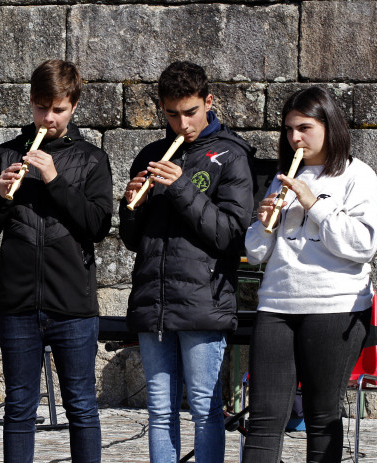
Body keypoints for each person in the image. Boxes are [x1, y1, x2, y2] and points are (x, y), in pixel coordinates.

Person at [0, 59, 112, 463]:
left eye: (58, 109)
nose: (47, 118)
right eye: (40, 107)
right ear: (30, 102)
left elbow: (97, 225)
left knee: (82, 406)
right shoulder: (5, 154)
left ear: (74, 106)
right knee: (19, 408)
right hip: (19, 303)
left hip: (72, 304)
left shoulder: (91, 159)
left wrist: (54, 179)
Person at [119, 61, 255, 463]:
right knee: (159, 411)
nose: (182, 123)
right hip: (154, 301)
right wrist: (132, 207)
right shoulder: (150, 154)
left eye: (191, 112)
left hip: (203, 301)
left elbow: (230, 235)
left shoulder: (231, 156)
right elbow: (132, 240)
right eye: (172, 114)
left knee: (204, 408)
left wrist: (179, 187)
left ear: (209, 102)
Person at [243, 86, 377, 462]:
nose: (295, 138)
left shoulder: (359, 176)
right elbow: (256, 253)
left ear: (329, 124)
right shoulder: (282, 177)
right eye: (289, 129)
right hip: (276, 304)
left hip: (333, 306)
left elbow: (361, 245)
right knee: (263, 420)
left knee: (322, 418)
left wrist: (312, 203)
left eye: (304, 127)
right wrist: (264, 223)